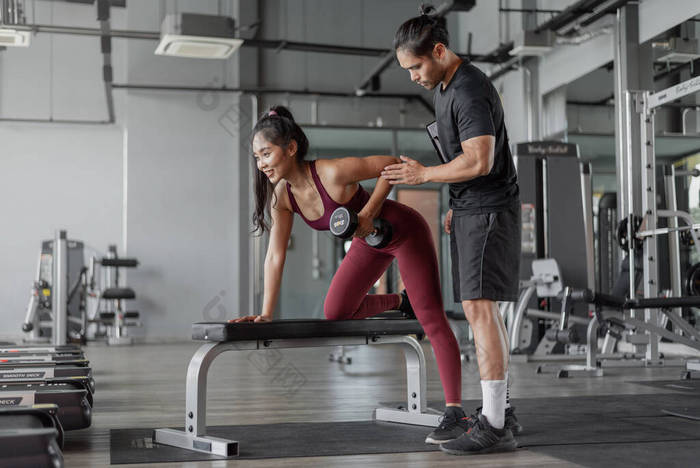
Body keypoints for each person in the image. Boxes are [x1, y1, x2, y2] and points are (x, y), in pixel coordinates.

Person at [235, 105, 464, 443]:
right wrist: (267, 313)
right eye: (257, 157)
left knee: (432, 319)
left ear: (291, 148)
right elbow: (274, 255)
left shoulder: (331, 172)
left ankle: (455, 412)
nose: (262, 163)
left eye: (266, 153)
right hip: (368, 242)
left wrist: (368, 212)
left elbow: (392, 164)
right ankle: (402, 301)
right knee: (336, 311)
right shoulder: (283, 198)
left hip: (402, 229)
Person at [382, 4, 522, 455]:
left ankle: (495, 426)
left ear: (439, 50)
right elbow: (464, 162)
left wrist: (425, 177)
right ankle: (501, 412)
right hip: (473, 209)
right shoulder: (444, 88)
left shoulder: (466, 89)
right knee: (486, 313)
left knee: (480, 311)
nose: (412, 76)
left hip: (489, 211)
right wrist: (456, 205)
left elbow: (480, 160)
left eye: (416, 66)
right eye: (406, 69)